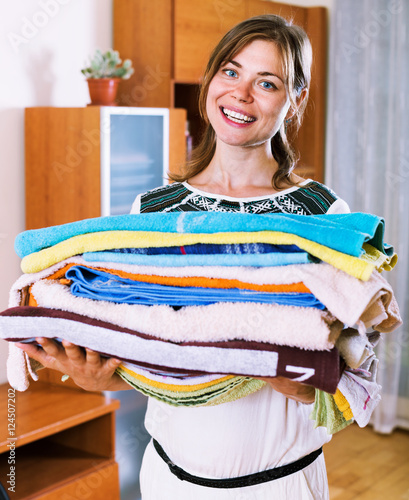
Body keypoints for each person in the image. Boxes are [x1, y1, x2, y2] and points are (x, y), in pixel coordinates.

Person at [17, 15, 350, 499]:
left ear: (294, 99)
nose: (241, 94)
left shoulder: (322, 216)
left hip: (279, 487)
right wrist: (102, 377)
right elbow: (163, 357)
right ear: (211, 78)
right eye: (231, 72)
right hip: (169, 482)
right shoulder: (153, 212)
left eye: (268, 82)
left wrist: (312, 386)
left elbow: (356, 368)